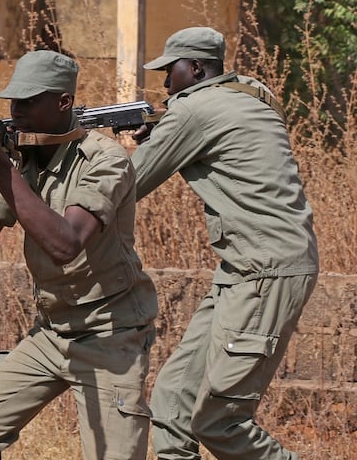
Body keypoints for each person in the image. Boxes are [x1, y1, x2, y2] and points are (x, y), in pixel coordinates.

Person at [0, 49, 159, 460]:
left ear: (63, 102)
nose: (16, 111)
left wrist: (5, 172)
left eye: (29, 101)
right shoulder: (25, 162)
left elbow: (65, 244)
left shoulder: (105, 160)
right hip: (51, 333)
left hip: (109, 336)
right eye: (12, 102)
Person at [131, 26, 318, 460]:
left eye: (170, 72)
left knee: (220, 422)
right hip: (246, 269)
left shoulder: (193, 110)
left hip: (266, 270)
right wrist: (161, 135)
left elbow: (125, 187)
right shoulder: (250, 96)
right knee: (173, 398)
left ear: (195, 68)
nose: (164, 84)